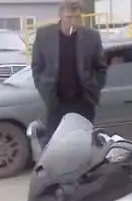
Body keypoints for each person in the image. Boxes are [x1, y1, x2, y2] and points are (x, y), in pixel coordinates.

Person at [31, 0, 107, 146]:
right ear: (61, 16)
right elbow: (37, 67)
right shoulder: (44, 35)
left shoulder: (91, 37)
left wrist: (94, 89)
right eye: (69, 17)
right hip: (56, 102)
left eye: (77, 17)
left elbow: (101, 68)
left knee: (83, 144)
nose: (73, 21)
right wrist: (44, 89)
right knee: (55, 144)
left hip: (83, 102)